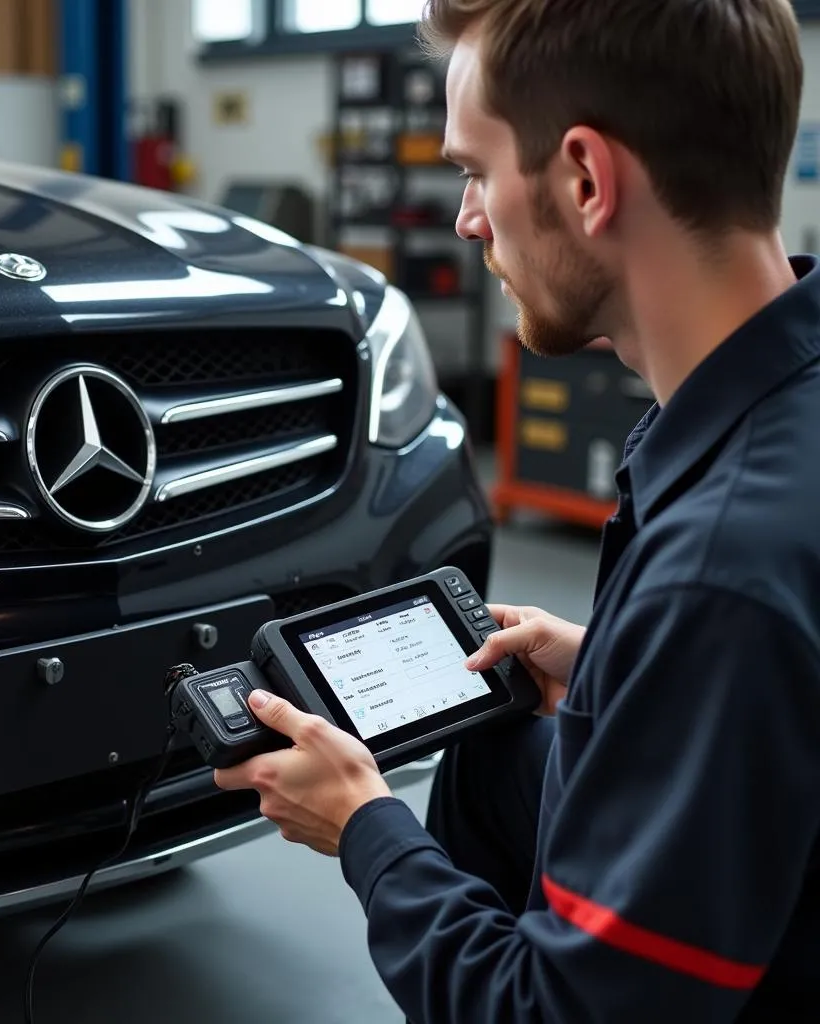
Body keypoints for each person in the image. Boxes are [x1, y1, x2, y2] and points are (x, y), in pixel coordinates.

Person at [215, 0, 820, 1018]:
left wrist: (363, 825)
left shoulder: (717, 571)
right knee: (492, 755)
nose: (467, 219)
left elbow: (555, 1011)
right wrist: (617, 662)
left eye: (474, 173)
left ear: (585, 180)